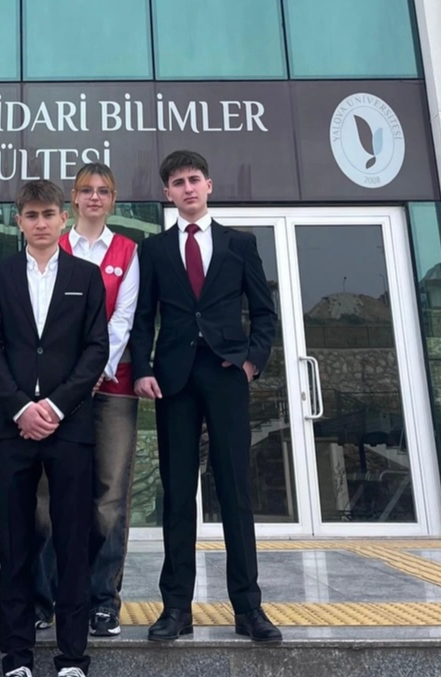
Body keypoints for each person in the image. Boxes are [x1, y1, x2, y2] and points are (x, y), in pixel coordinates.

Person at [130, 150, 282, 644]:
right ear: (167, 193)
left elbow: (264, 312)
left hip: (226, 374)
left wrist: (252, 361)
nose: (188, 188)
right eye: (178, 183)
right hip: (173, 380)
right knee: (177, 494)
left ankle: (248, 608)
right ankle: (176, 608)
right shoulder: (153, 250)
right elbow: (142, 317)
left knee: (235, 490)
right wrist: (142, 369)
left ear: (209, 185)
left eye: (194, 179)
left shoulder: (240, 244)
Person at [0, 179, 108, 677]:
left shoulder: (86, 277)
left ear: (63, 218)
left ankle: (73, 665)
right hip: (12, 430)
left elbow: (96, 348)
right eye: (30, 215)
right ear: (19, 221)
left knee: (73, 546)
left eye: (48, 214)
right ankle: (17, 665)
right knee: (15, 548)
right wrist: (19, 408)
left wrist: (53, 406)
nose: (40, 223)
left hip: (69, 428)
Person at [33, 163, 141, 637]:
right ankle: (44, 599)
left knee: (109, 498)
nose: (95, 197)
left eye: (104, 190)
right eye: (86, 190)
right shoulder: (51, 246)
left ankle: (102, 599)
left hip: (111, 388)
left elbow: (123, 321)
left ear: (113, 200)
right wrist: (69, 382)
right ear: (73, 199)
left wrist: (93, 372)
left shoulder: (127, 252)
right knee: (45, 497)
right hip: (55, 393)